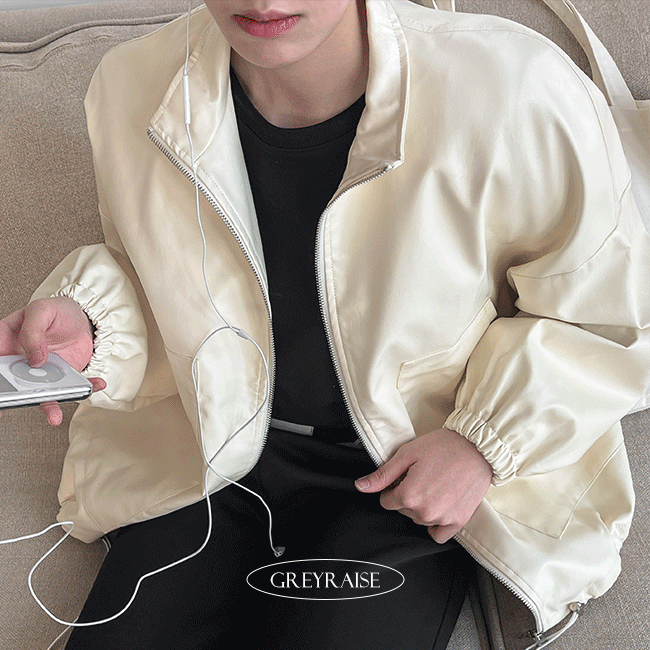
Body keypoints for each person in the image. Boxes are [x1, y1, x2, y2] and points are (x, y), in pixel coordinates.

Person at [0, 0, 648, 648]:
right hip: (210, 452)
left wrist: (481, 443)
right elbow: (156, 270)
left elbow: (604, 312)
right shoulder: (133, 84)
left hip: (405, 465)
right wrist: (90, 323)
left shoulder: (513, 84)